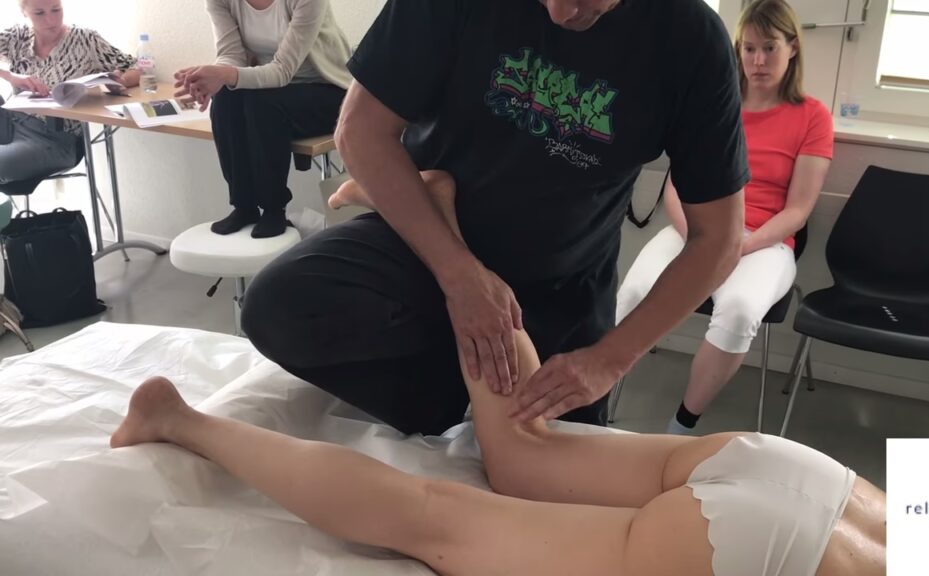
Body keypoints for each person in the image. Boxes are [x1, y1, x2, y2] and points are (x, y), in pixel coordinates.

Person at [113, 170, 885, 576]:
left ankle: (442, 218)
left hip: (813, 480)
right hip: (758, 554)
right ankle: (177, 419)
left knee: (524, 450)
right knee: (433, 519)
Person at [241, 0, 750, 436]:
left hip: (562, 288)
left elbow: (719, 239)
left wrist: (610, 360)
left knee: (548, 469)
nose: (561, 13)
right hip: (427, 248)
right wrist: (458, 275)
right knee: (274, 309)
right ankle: (443, 397)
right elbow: (359, 131)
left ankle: (453, 403)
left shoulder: (692, 41)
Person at [616, 0, 834, 434]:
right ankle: (592, 405)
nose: (758, 61)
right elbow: (675, 188)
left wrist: (738, 245)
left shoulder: (813, 116)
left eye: (769, 48)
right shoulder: (716, 102)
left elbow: (798, 210)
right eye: (749, 49)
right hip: (695, 228)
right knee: (635, 291)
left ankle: (682, 426)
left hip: (764, 241)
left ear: (792, 48)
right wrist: (700, 237)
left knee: (738, 310)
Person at [175, 0, 352, 238]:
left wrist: (224, 75)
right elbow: (231, 55)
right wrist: (213, 78)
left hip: (328, 89)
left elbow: (282, 70)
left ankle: (273, 209)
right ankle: (244, 206)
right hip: (271, 89)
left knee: (263, 103)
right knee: (225, 96)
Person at [0, 0, 139, 184]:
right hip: (10, 121)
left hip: (54, 138)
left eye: (56, 10)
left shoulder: (85, 39)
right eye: (39, 13)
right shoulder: (16, 36)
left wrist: (119, 81)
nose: (51, 20)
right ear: (24, 12)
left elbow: (136, 67)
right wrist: (11, 77)